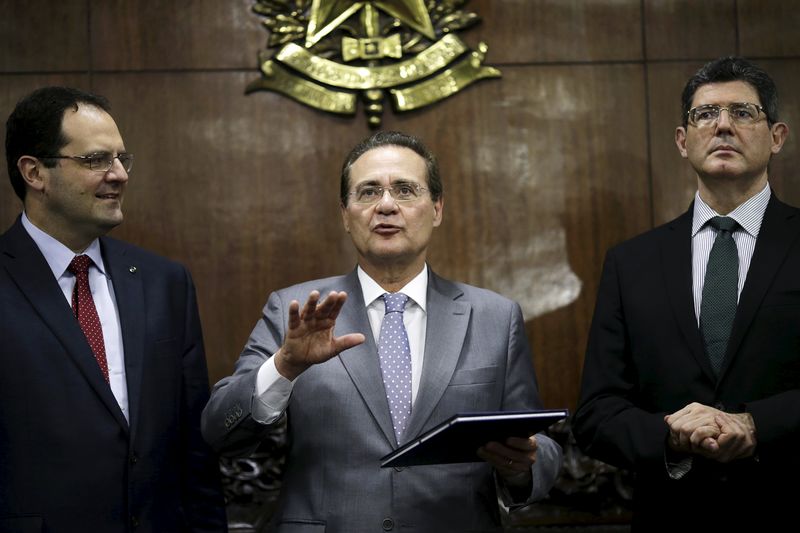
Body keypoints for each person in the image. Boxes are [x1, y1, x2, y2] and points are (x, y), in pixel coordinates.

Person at [201, 130, 562, 532]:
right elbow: (220, 430)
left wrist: (521, 466)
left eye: (405, 190)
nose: (386, 205)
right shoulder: (298, 310)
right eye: (368, 192)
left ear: (437, 209)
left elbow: (539, 448)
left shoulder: (495, 317)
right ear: (345, 214)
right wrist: (283, 367)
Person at [573, 57, 797, 529]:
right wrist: (669, 435)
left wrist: (759, 424)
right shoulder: (631, 263)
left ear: (777, 136)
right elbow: (596, 414)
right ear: (682, 140)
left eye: (742, 112)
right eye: (705, 115)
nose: (722, 126)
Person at [0, 86, 227, 532]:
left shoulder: (166, 283)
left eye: (122, 159)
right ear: (34, 173)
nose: (119, 174)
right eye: (96, 160)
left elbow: (194, 450)